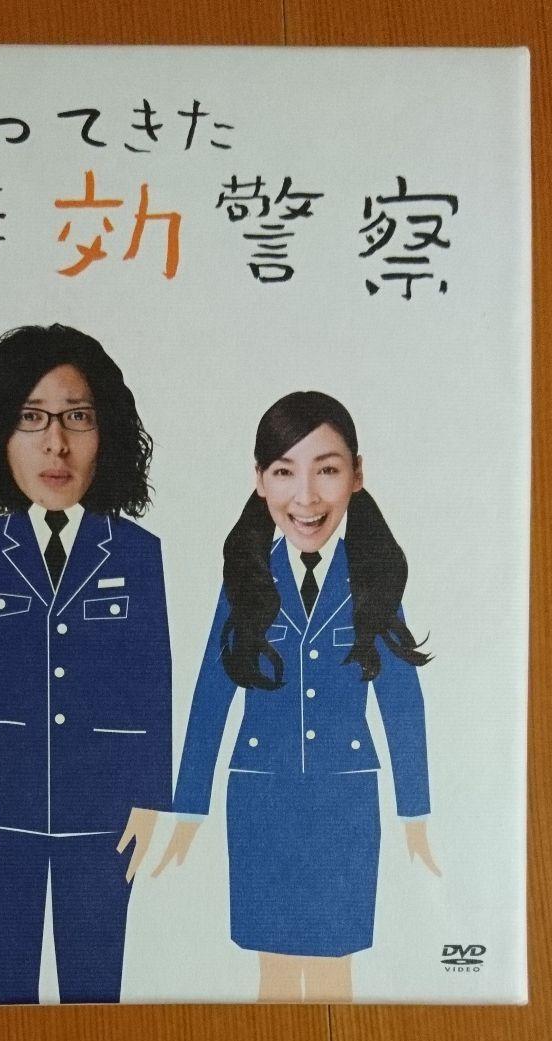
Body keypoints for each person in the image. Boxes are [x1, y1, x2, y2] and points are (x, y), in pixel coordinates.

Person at [153, 390, 440, 1002]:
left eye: (326, 470)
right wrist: (188, 809)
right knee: (275, 970)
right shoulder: (248, 578)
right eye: (284, 472)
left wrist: (414, 812)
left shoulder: (370, 578)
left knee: (336, 969)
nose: (306, 497)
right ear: (260, 481)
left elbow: (401, 699)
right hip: (262, 797)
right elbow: (210, 696)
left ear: (356, 475)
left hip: (345, 799)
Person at [0, 324, 171, 1004]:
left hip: (104, 807)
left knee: (95, 990)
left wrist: (150, 797)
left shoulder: (138, 553)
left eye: (78, 418)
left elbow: (152, 677)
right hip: (1, 802)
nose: (56, 444)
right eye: (31, 418)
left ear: (107, 433)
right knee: (1, 986)